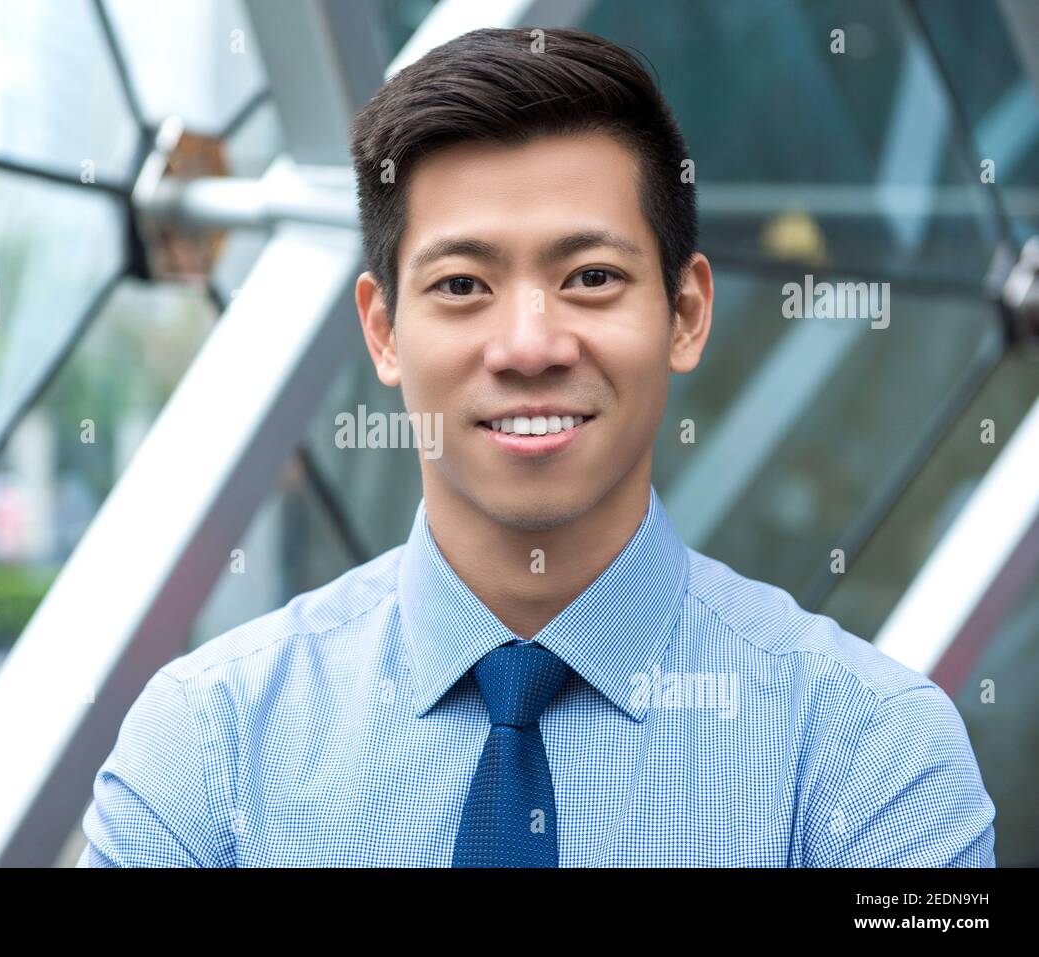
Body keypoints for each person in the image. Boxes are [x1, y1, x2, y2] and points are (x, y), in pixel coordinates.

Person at [77, 26, 995, 867]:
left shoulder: (872, 754)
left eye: (591, 277)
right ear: (384, 330)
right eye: (464, 284)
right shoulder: (207, 743)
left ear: (686, 313)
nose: (528, 346)